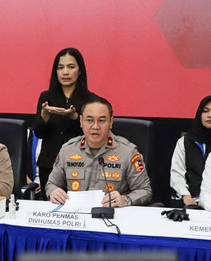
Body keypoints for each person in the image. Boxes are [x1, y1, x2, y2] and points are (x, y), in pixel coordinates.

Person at [45, 96, 152, 207]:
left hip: (113, 214)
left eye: (101, 121)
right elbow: (51, 184)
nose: (95, 126)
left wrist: (125, 199)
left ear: (111, 122)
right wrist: (53, 191)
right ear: (81, 121)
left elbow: (145, 190)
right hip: (76, 214)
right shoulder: (68, 150)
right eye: (89, 120)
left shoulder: (127, 152)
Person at [32, 48, 94, 192]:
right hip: (49, 165)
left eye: (71, 67)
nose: (65, 72)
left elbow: (93, 134)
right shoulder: (46, 97)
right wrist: (44, 116)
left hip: (80, 165)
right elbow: (39, 133)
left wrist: (75, 117)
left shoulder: (90, 100)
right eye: (60, 68)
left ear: (80, 70)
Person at [169, 95, 211, 206]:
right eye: (205, 111)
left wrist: (209, 200)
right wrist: (186, 196)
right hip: (188, 200)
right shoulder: (185, 141)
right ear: (199, 114)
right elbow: (177, 173)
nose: (210, 115)